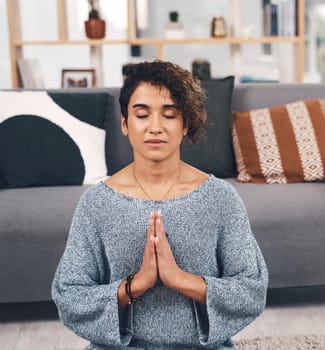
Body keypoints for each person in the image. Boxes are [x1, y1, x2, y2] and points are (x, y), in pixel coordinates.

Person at [52, 60, 268, 349]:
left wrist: (180, 279)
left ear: (185, 124)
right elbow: (68, 295)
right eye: (142, 114)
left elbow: (251, 289)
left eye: (169, 115)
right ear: (125, 125)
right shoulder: (97, 202)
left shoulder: (219, 198)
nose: (155, 127)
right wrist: (135, 285)